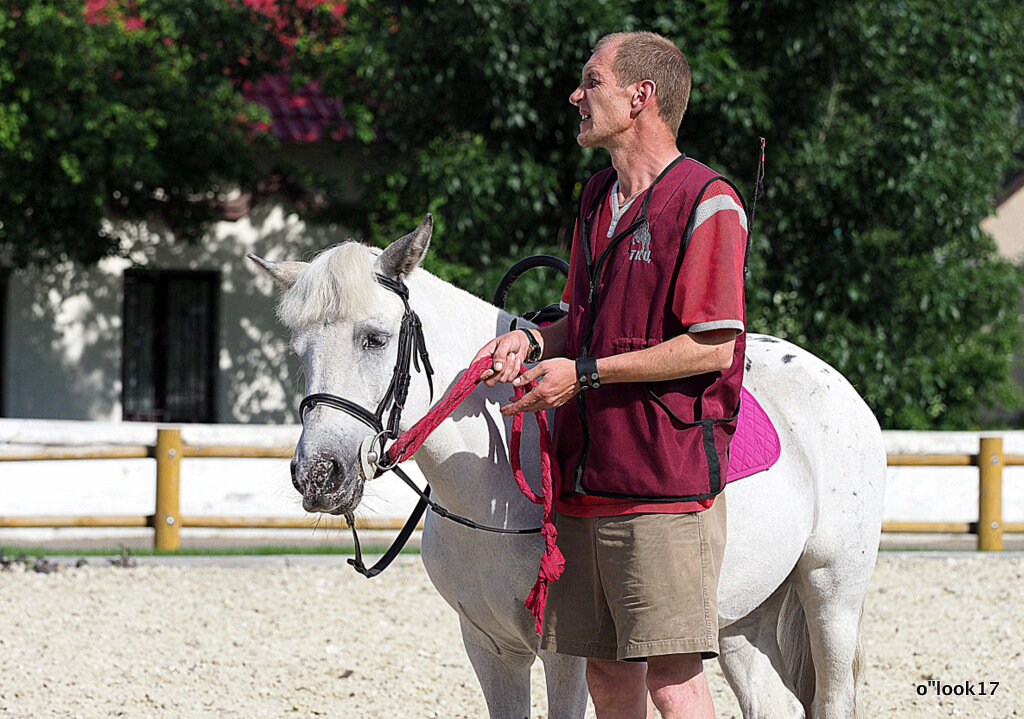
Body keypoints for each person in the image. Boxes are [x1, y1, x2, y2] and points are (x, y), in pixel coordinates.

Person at [472, 31, 747, 718]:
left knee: (671, 682)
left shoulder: (709, 201)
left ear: (640, 97)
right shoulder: (597, 195)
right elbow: (579, 316)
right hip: (585, 480)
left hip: (663, 481)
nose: (576, 95)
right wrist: (532, 341)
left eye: (590, 80)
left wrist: (583, 374)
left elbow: (711, 346)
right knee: (605, 675)